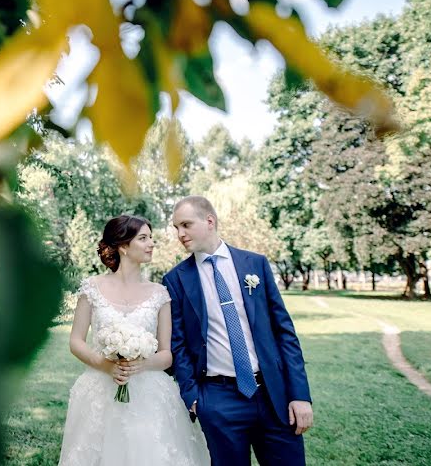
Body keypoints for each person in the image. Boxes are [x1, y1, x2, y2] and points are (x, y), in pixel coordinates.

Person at [163, 196, 313, 466]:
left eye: (185, 224)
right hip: (218, 401)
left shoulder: (255, 265)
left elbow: (285, 333)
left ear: (210, 221)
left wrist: (299, 395)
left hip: (274, 396)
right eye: (176, 228)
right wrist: (194, 397)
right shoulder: (175, 279)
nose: (180, 234)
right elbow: (179, 344)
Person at [59, 215, 211, 465]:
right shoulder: (91, 288)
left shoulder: (160, 294)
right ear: (123, 246)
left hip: (149, 395)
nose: (151, 243)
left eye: (151, 238)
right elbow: (76, 341)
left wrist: (142, 364)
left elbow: (166, 354)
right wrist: (105, 365)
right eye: (143, 238)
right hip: (99, 391)